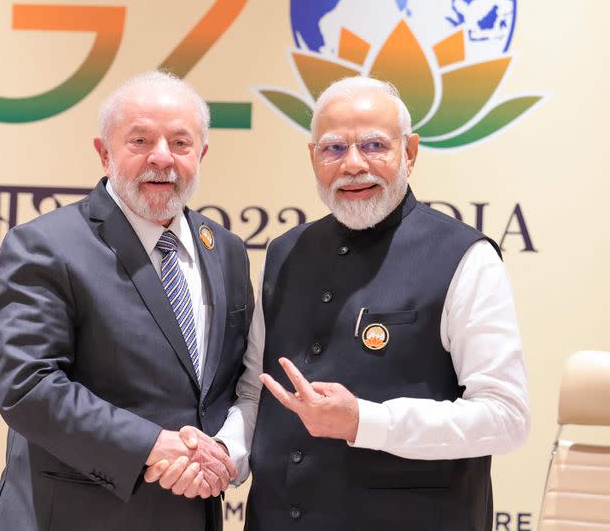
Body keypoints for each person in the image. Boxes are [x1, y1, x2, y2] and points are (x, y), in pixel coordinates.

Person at [217, 77, 530, 530]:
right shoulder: (284, 253)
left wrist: (367, 420)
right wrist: (226, 453)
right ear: (313, 158)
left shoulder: (465, 257)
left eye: (374, 145)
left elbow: (506, 416)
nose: (354, 164)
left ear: (411, 152)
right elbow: (255, 392)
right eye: (334, 149)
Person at [0, 71, 253, 531]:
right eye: (141, 140)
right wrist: (152, 445)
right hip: (73, 516)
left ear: (202, 154)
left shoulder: (225, 249)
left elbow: (230, 384)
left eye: (181, 143)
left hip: (189, 514)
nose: (162, 158)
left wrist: (224, 450)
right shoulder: (46, 246)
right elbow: (27, 386)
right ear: (104, 152)